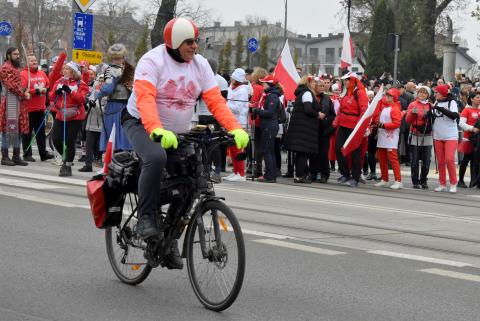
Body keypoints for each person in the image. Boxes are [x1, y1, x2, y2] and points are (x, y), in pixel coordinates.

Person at [122, 17, 249, 269]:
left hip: (176, 131)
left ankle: (167, 240)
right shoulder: (153, 61)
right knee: (156, 157)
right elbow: (146, 99)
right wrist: (156, 129)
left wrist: (235, 128)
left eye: (196, 41)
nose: (195, 46)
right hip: (140, 123)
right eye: (189, 42)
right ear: (175, 42)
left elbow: (215, 101)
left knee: (191, 180)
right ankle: (146, 218)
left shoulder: (200, 65)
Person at [49, 61, 89, 176]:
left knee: (70, 141)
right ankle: (65, 156)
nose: (64, 71)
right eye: (64, 68)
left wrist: (70, 91)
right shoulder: (59, 81)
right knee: (56, 139)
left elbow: (81, 99)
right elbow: (50, 95)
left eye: (67, 69)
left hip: (75, 115)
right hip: (61, 114)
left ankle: (67, 165)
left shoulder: (81, 84)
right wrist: (56, 92)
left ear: (73, 71)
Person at [97, 44, 133, 153]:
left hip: (120, 107)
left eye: (117, 57)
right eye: (115, 58)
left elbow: (108, 89)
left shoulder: (115, 70)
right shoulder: (127, 69)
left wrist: (97, 94)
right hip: (122, 106)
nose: (116, 59)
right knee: (120, 134)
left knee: (118, 134)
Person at [334, 71, 369, 187]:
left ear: (353, 80)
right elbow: (341, 109)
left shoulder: (360, 93)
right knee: (338, 148)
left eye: (347, 80)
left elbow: (364, 111)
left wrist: (360, 127)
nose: (345, 82)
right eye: (344, 80)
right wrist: (336, 121)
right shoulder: (346, 93)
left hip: (354, 127)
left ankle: (355, 177)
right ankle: (345, 174)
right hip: (343, 126)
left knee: (355, 153)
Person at [196, 58, 228, 183]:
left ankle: (216, 172)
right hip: (206, 115)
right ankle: (208, 170)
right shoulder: (221, 80)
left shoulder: (217, 80)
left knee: (212, 144)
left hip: (211, 116)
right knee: (206, 143)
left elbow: (223, 100)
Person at [284, 75, 319, 183]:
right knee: (303, 153)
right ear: (308, 83)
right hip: (304, 129)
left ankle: (300, 174)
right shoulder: (307, 93)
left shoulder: (301, 93)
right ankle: (299, 176)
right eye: (313, 82)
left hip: (300, 128)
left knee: (300, 154)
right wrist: (317, 114)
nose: (315, 84)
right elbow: (308, 109)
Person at [20, 54, 53, 162]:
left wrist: (45, 88)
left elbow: (48, 84)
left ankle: (43, 153)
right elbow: (24, 89)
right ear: (26, 63)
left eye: (35, 60)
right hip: (28, 109)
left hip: (40, 108)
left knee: (41, 132)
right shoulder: (24, 74)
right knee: (27, 133)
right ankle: (27, 154)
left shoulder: (42, 73)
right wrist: (37, 91)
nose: (34, 62)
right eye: (31, 61)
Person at [0, 47, 29, 166]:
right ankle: (5, 156)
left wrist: (24, 90)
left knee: (18, 129)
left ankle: (16, 155)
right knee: (8, 129)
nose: (18, 56)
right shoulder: (6, 68)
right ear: (8, 56)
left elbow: (18, 85)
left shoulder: (16, 68)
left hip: (18, 101)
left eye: (18, 54)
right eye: (15, 54)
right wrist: (23, 93)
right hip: (9, 102)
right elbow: (11, 86)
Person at [252, 75, 282, 183]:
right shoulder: (269, 95)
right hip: (268, 125)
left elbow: (270, 112)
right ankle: (270, 174)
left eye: (264, 83)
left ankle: (270, 175)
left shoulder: (272, 96)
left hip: (269, 126)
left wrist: (257, 111)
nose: (262, 85)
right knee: (269, 151)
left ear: (270, 84)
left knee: (267, 151)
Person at [372, 88, 403, 189]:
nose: (387, 97)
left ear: (394, 97)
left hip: (391, 137)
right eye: (387, 95)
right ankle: (384, 179)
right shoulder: (385, 107)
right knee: (382, 159)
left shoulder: (395, 109)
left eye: (389, 95)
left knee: (393, 159)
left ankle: (398, 180)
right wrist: (376, 124)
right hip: (382, 136)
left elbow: (397, 123)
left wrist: (383, 125)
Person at [431, 84, 459, 193]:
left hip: (450, 135)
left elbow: (454, 115)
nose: (435, 94)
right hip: (438, 135)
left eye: (436, 92)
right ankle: (442, 183)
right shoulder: (436, 102)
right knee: (441, 161)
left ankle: (453, 183)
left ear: (442, 93)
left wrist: (438, 108)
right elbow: (434, 116)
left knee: (449, 159)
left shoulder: (452, 102)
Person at [405, 86, 433, 189]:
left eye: (424, 93)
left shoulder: (430, 105)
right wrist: (413, 113)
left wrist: (430, 115)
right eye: (420, 92)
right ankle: (415, 181)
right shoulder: (413, 104)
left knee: (426, 160)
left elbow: (434, 120)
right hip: (415, 134)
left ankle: (424, 180)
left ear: (428, 95)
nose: (421, 94)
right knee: (415, 160)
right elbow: (407, 120)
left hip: (428, 135)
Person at [224, 68, 249, 182]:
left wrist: (225, 104)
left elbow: (238, 108)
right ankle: (236, 171)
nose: (231, 78)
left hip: (239, 122)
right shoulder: (231, 88)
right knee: (232, 147)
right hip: (231, 121)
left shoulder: (242, 90)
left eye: (233, 77)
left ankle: (241, 173)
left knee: (238, 148)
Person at [79, 71, 105, 172]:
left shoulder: (108, 94)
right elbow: (89, 105)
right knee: (88, 145)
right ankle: (88, 165)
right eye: (99, 80)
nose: (100, 83)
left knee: (99, 146)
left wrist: (96, 106)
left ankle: (100, 162)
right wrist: (87, 104)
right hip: (90, 123)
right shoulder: (94, 92)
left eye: (103, 81)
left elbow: (105, 110)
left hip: (101, 125)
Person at [311, 78, 335, 183]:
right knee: (313, 153)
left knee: (324, 153)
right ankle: (313, 173)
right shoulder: (311, 97)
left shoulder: (327, 98)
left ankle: (324, 174)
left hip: (324, 130)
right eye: (319, 85)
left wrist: (326, 121)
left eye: (322, 85)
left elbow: (333, 114)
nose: (322, 87)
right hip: (313, 129)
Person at [458, 91, 480, 188]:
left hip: (478, 139)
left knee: (476, 160)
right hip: (468, 138)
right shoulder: (466, 110)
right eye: (477, 97)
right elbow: (461, 123)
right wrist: (472, 128)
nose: (479, 99)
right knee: (466, 159)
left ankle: (473, 181)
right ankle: (461, 180)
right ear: (471, 99)